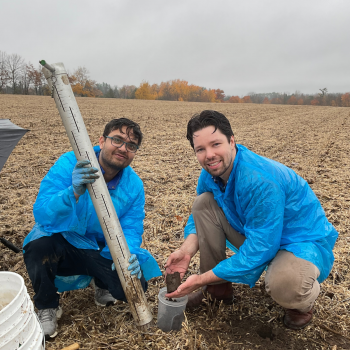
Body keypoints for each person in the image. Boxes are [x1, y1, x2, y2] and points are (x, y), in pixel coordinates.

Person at [165, 110, 338, 330]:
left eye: (216, 144)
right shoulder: (210, 173)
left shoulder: (260, 180)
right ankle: (218, 288)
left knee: (286, 284)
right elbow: (199, 216)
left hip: (298, 242)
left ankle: (300, 303)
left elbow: (261, 247)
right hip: (257, 232)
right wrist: (186, 251)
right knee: (203, 203)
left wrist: (200, 279)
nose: (209, 155)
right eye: (200, 149)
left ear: (232, 141)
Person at [23, 118, 161, 339]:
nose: (123, 148)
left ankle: (102, 284)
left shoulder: (134, 186)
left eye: (131, 145)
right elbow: (42, 212)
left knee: (134, 286)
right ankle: (47, 306)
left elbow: (132, 227)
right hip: (62, 240)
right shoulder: (70, 163)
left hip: (98, 248)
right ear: (101, 140)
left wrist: (129, 252)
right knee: (39, 249)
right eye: (117, 139)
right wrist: (73, 192)